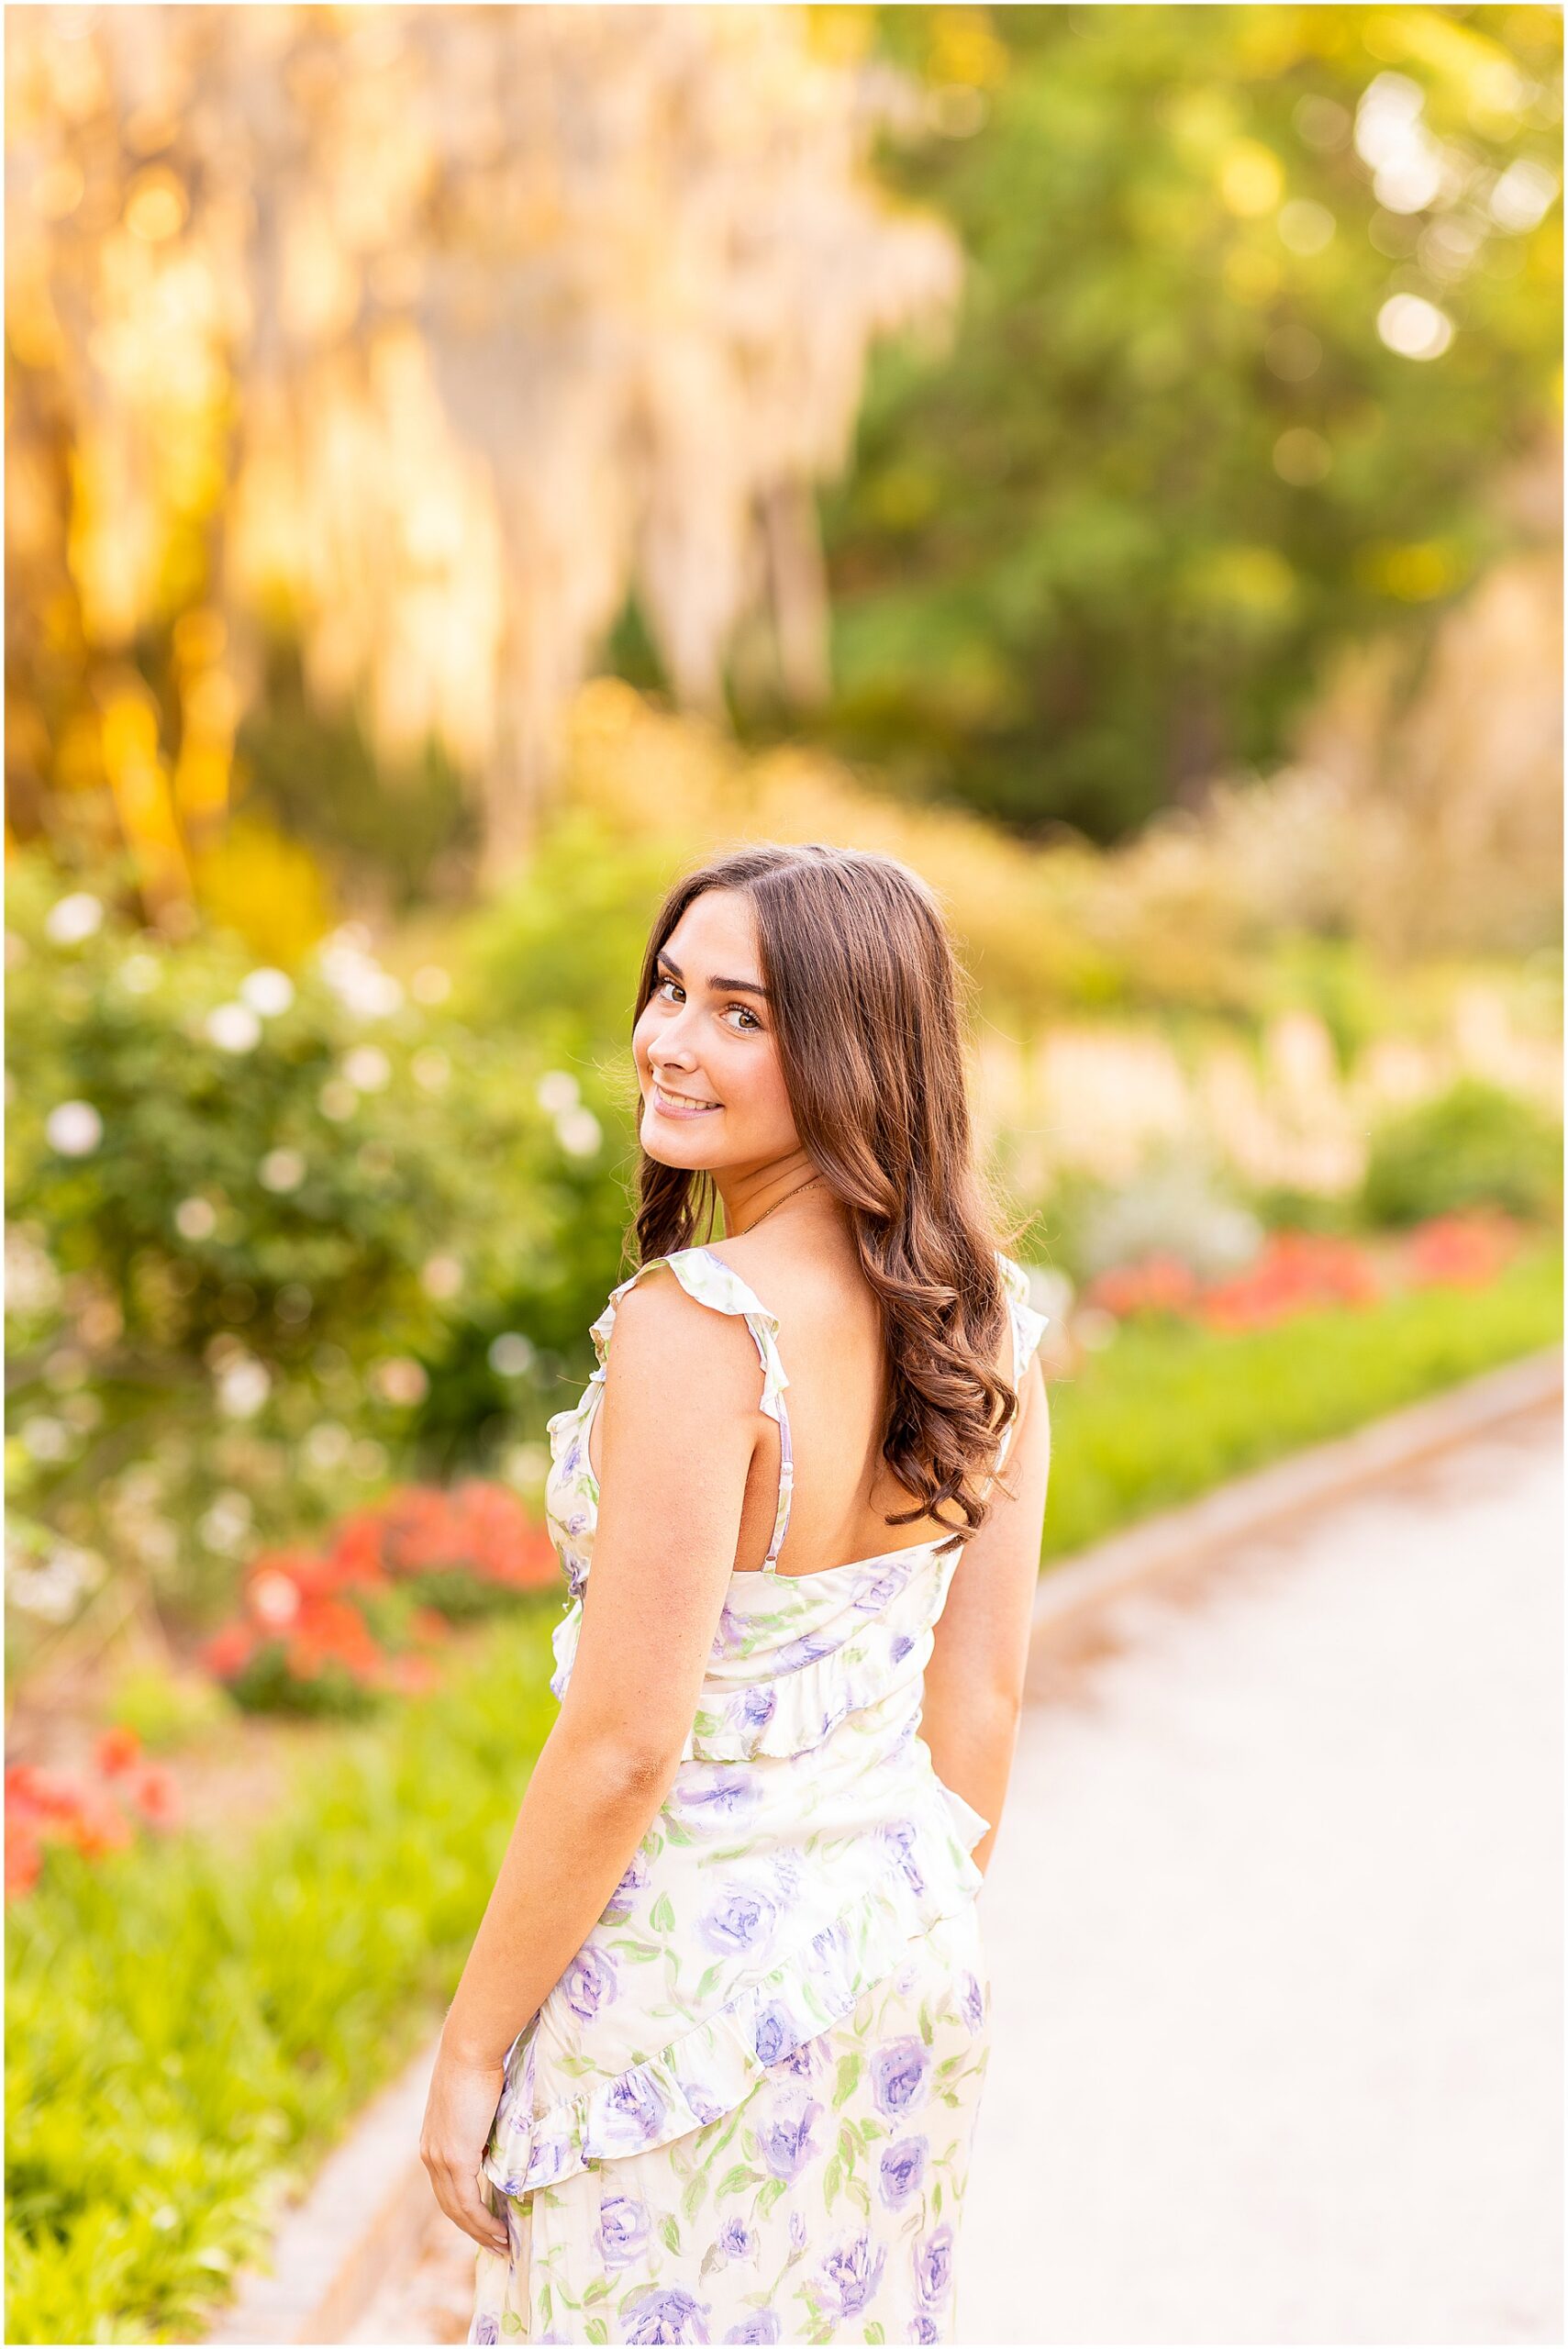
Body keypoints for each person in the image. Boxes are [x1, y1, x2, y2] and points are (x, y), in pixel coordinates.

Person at [422, 842, 1051, 2345]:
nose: (669, 1041)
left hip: (676, 2014)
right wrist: (878, 1928)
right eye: (669, 990)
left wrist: (471, 2046)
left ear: (854, 1051)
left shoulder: (699, 1327)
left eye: (740, 1014)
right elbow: (979, 1696)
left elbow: (623, 1744)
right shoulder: (987, 1324)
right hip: (902, 1966)